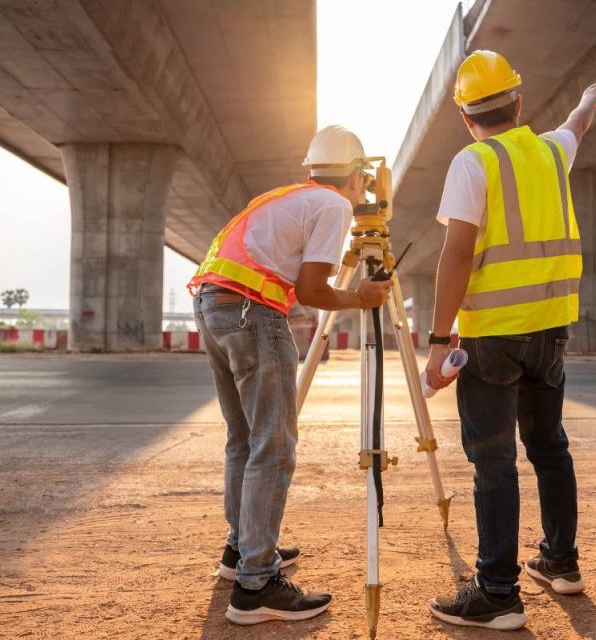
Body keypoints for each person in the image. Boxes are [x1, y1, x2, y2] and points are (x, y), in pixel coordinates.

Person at [422, 50, 596, 630]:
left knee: (493, 460)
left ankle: (497, 592)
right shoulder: (551, 150)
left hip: (492, 339)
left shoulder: (473, 161)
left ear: (464, 115)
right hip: (550, 331)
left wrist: (435, 342)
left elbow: (456, 256)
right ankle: (560, 562)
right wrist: (585, 101)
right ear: (519, 102)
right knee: (549, 446)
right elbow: (576, 125)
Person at [188, 125, 392, 625]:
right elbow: (312, 291)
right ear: (358, 174)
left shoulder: (286, 197)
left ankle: (242, 552)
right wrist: (360, 297)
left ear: (312, 169)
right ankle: (256, 587)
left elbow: (297, 265)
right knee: (272, 447)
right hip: (253, 315)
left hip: (213, 308)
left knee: (244, 441)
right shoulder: (334, 205)